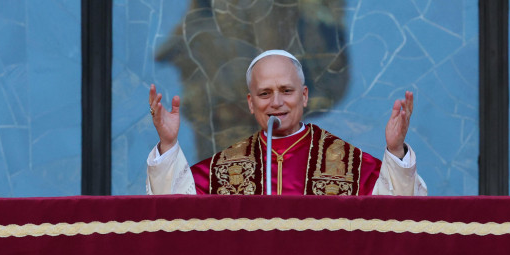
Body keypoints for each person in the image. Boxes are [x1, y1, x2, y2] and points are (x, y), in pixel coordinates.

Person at [146, 49, 427, 195]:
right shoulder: (220, 170)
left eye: (286, 91)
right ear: (250, 102)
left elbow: (397, 217)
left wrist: (396, 151)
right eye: (264, 93)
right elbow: (175, 217)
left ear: (304, 96)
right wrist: (169, 145)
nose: (276, 102)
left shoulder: (352, 167)